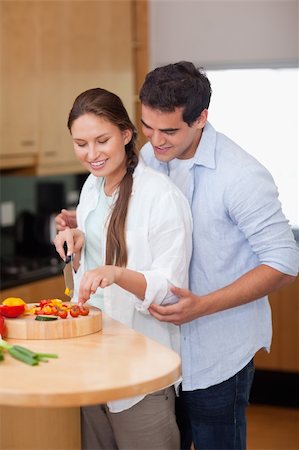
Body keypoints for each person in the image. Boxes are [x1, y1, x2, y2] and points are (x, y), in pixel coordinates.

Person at [55, 62, 299, 450]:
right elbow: (130, 218)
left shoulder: (241, 177)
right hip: (160, 347)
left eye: (168, 130)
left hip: (216, 349)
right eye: (148, 127)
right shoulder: (150, 157)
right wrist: (83, 224)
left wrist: (202, 305)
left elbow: (284, 262)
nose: (155, 140)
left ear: (201, 118)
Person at [53, 87, 193, 450]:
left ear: (126, 134)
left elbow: (169, 287)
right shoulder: (91, 188)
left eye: (102, 140)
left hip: (142, 368)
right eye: (81, 144)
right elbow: (94, 263)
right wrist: (78, 240)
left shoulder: (160, 196)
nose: (92, 154)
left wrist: (116, 273)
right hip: (93, 359)